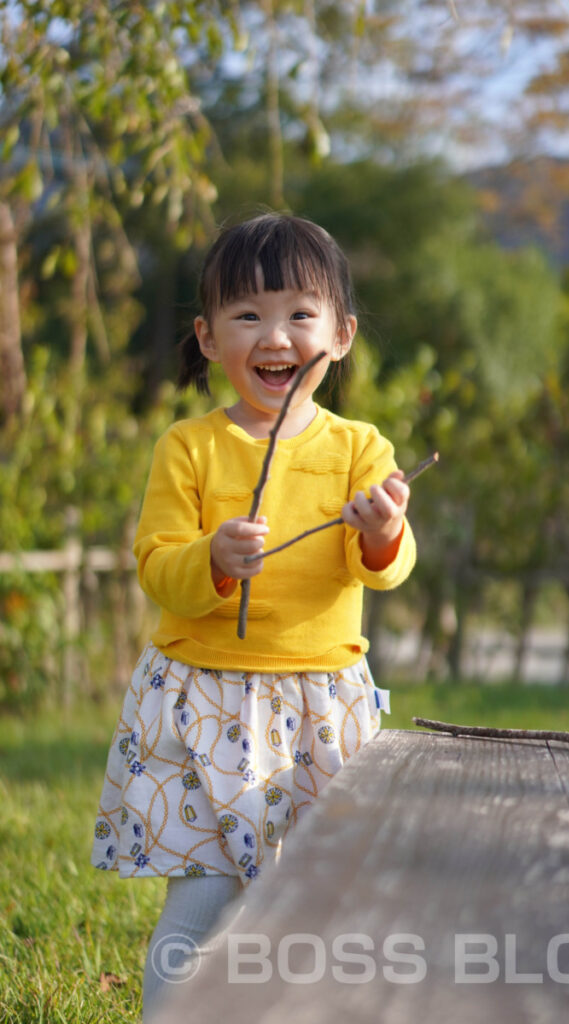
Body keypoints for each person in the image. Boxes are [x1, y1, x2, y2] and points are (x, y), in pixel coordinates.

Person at [90, 212, 416, 1020]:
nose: (275, 336)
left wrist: (381, 534)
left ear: (338, 335)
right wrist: (209, 560)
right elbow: (156, 564)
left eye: (299, 314)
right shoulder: (189, 448)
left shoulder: (358, 450)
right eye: (247, 315)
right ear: (207, 337)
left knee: (314, 898)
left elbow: (387, 570)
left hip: (318, 704)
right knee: (203, 897)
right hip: (199, 700)